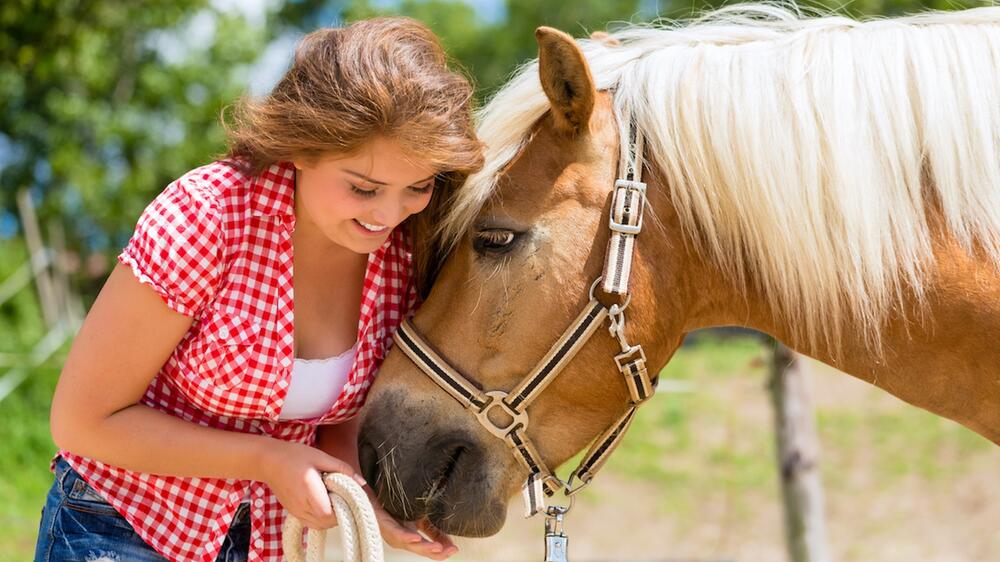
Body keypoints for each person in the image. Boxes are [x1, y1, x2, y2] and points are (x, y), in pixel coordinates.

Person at [34, 17, 483, 562]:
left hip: (265, 541)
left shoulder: (408, 250)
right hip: (122, 524)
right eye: (363, 187)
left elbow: (336, 414)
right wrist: (266, 460)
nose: (388, 214)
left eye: (417, 187)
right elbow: (82, 422)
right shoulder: (207, 218)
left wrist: (364, 495)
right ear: (299, 149)